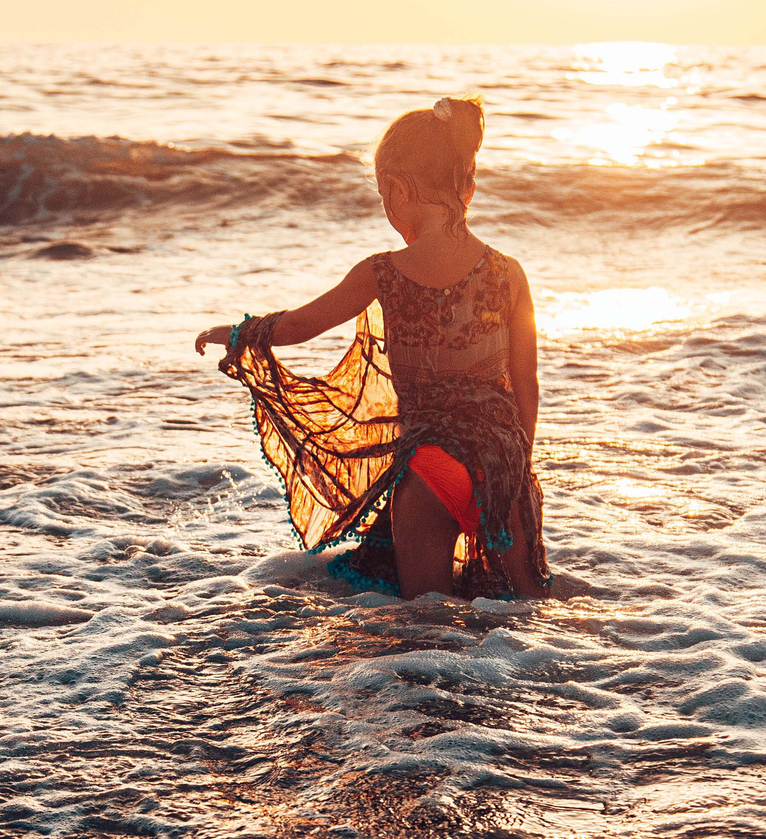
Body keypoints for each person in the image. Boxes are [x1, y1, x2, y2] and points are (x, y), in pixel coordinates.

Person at [194, 94, 547, 599]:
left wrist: (237, 334)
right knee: (528, 614)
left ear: (396, 188)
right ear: (467, 183)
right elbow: (526, 387)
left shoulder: (382, 273)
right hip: (502, 468)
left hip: (430, 468)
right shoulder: (510, 274)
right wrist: (519, 474)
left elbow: (298, 326)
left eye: (385, 197)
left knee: (424, 623)